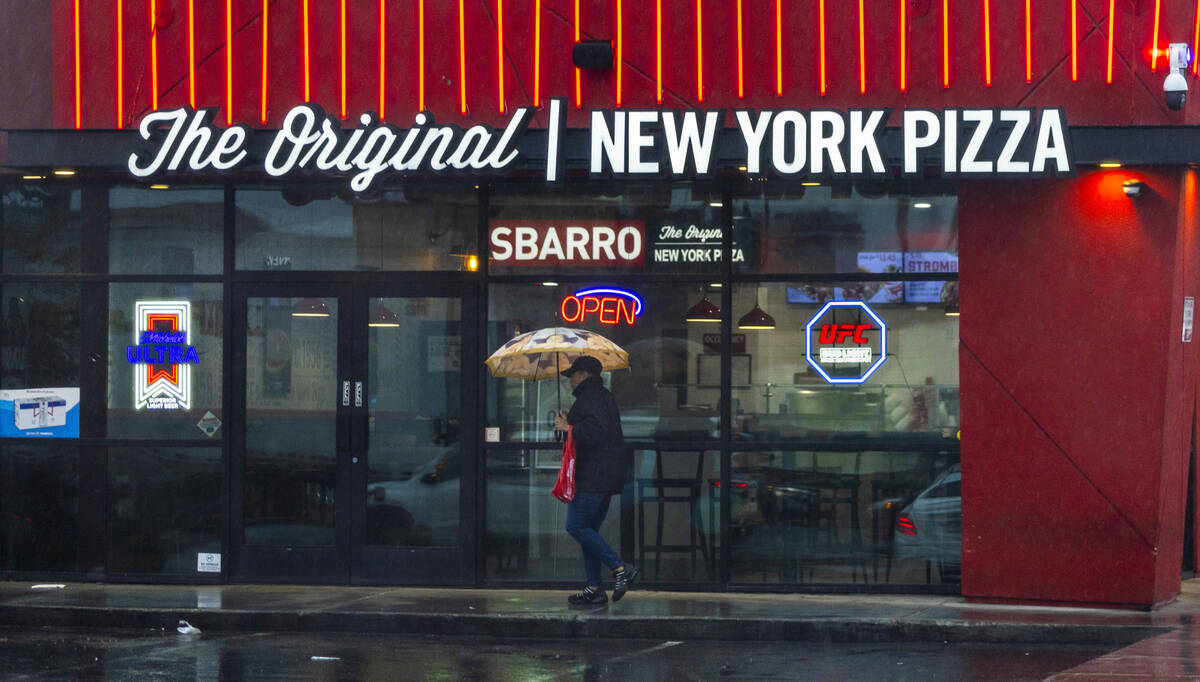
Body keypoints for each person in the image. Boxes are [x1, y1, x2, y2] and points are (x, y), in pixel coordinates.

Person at [553, 355, 638, 606]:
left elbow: (596, 433)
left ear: (585, 374)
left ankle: (621, 568)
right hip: (604, 476)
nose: (570, 381)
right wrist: (569, 423)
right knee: (587, 530)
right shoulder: (601, 397)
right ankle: (594, 587)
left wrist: (568, 427)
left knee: (576, 526)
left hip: (592, 476)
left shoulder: (590, 398)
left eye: (573, 376)